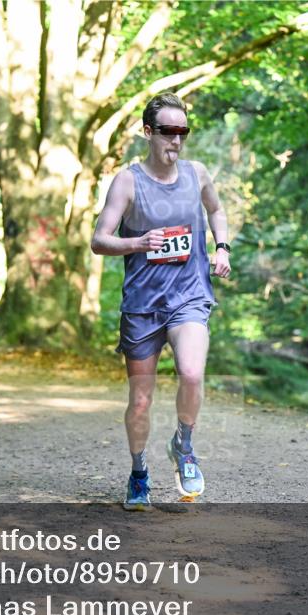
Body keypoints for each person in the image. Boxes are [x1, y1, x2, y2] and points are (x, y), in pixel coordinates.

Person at [91, 93, 231, 509]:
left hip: (189, 297)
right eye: (168, 131)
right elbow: (99, 240)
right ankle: (139, 474)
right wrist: (137, 242)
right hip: (142, 306)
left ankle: (183, 446)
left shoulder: (197, 173)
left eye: (183, 131)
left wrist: (222, 248)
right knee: (140, 401)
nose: (177, 140)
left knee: (191, 372)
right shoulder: (128, 182)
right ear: (148, 132)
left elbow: (216, 210)